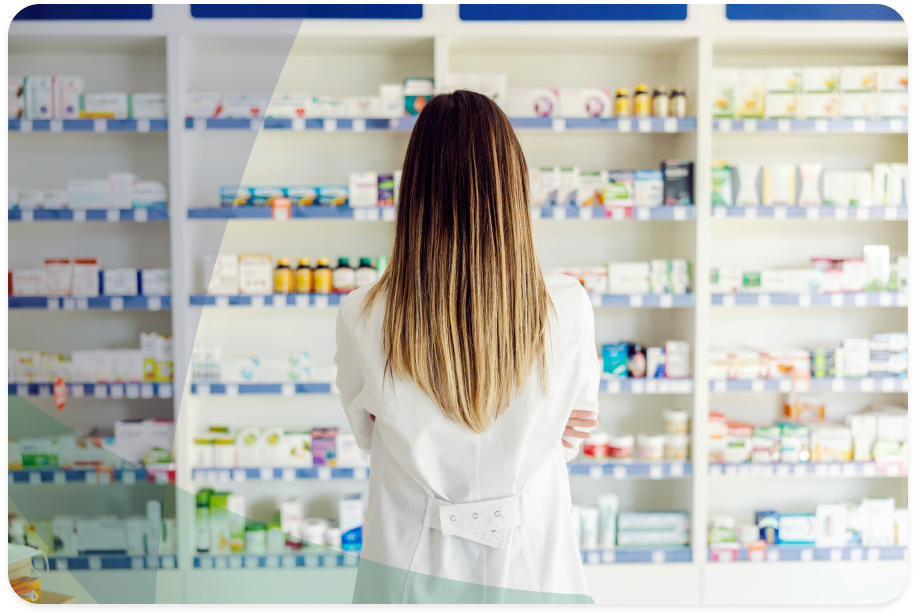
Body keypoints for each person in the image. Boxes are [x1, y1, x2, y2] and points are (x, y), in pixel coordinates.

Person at [334, 90, 600, 604]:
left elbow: (369, 433)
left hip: (411, 569)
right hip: (532, 569)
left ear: (413, 189)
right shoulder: (567, 305)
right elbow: (572, 433)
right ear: (514, 187)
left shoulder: (362, 312)